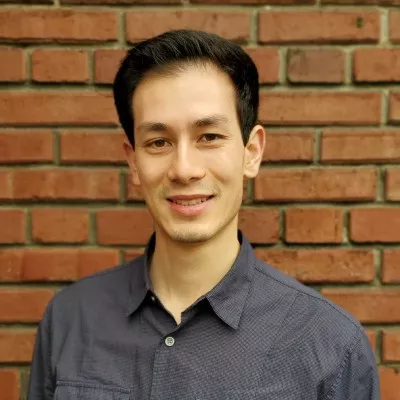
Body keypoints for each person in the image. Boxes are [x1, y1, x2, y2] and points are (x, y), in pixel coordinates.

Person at [27, 30, 379, 399]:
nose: (184, 169)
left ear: (252, 152)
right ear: (134, 162)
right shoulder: (71, 319)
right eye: (159, 142)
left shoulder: (330, 346)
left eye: (209, 136)